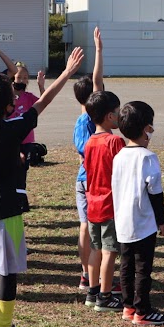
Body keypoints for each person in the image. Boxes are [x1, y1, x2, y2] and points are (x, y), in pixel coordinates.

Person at [0, 47, 85, 327]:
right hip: (6, 209)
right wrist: (65, 73)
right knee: (8, 271)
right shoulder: (10, 130)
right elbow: (43, 103)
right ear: (7, 107)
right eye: (12, 98)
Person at [112, 100, 164, 326]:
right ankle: (143, 311)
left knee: (126, 265)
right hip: (144, 223)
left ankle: (128, 307)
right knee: (143, 268)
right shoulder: (148, 157)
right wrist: (161, 221)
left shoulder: (119, 156)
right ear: (147, 128)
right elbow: (155, 192)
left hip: (123, 222)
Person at [83, 89, 125, 312]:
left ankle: (93, 291)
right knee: (110, 250)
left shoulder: (90, 142)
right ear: (110, 116)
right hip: (110, 205)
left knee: (95, 248)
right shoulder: (115, 142)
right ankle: (105, 296)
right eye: (118, 112)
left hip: (93, 204)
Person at [72, 26, 104, 291]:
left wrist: (99, 51)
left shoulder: (87, 120)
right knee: (88, 227)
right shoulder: (87, 121)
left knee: (91, 227)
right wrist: (98, 51)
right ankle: (87, 273)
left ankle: (89, 272)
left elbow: (97, 83)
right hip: (89, 182)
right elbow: (97, 83)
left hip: (91, 181)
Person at [9, 61, 47, 165]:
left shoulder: (29, 97)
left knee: (24, 166)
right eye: (19, 77)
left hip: (27, 139)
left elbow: (44, 102)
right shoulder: (6, 96)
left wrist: (41, 86)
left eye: (25, 78)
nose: (22, 80)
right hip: (11, 139)